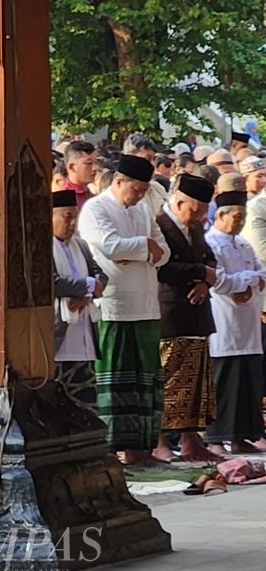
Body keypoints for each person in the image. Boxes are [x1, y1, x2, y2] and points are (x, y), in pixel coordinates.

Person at [77, 155, 170, 464]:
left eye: (145, 189)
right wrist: (143, 245)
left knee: (145, 381)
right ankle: (113, 449)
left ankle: (141, 447)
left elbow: (165, 252)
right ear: (119, 182)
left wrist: (139, 250)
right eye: (137, 189)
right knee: (116, 380)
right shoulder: (96, 208)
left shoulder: (143, 209)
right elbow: (109, 246)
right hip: (115, 306)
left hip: (146, 304)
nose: (141, 195)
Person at [154, 175, 219, 463]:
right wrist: (200, 272)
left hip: (196, 312)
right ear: (179, 201)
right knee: (168, 380)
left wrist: (205, 281)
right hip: (169, 311)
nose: (200, 217)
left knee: (196, 382)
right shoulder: (159, 225)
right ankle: (160, 442)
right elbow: (163, 266)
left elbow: (210, 260)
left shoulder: (195, 227)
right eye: (195, 210)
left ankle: (191, 439)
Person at [204, 191, 266, 454]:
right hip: (225, 322)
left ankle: (242, 436)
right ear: (221, 215)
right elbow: (219, 280)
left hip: (248, 323)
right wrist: (247, 280)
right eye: (236, 217)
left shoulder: (243, 244)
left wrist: (247, 280)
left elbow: (262, 272)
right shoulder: (211, 243)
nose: (239, 223)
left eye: (243, 218)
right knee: (225, 382)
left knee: (247, 381)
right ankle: (216, 439)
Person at [52, 189, 106, 418]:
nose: (73, 223)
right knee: (60, 397)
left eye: (75, 216)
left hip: (83, 330)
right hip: (58, 332)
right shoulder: (42, 247)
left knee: (85, 397)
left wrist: (89, 293)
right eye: (67, 217)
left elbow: (100, 275)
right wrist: (88, 285)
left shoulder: (81, 245)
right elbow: (52, 282)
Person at [62, 141, 97, 209]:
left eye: (96, 163)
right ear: (72, 167)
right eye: (89, 163)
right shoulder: (65, 200)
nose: (95, 168)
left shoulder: (91, 195)